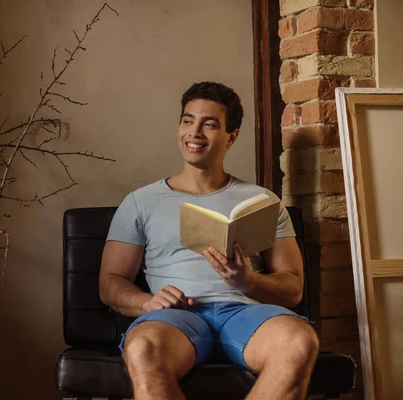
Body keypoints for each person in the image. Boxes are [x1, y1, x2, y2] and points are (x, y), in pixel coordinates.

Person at [99, 82, 319, 400]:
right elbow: (110, 283)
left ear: (232, 136)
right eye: (188, 120)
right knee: (143, 348)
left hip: (245, 313)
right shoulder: (140, 202)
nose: (195, 132)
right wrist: (146, 302)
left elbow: (293, 288)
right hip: (176, 317)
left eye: (210, 124)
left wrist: (248, 281)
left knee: (300, 341)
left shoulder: (262, 201)